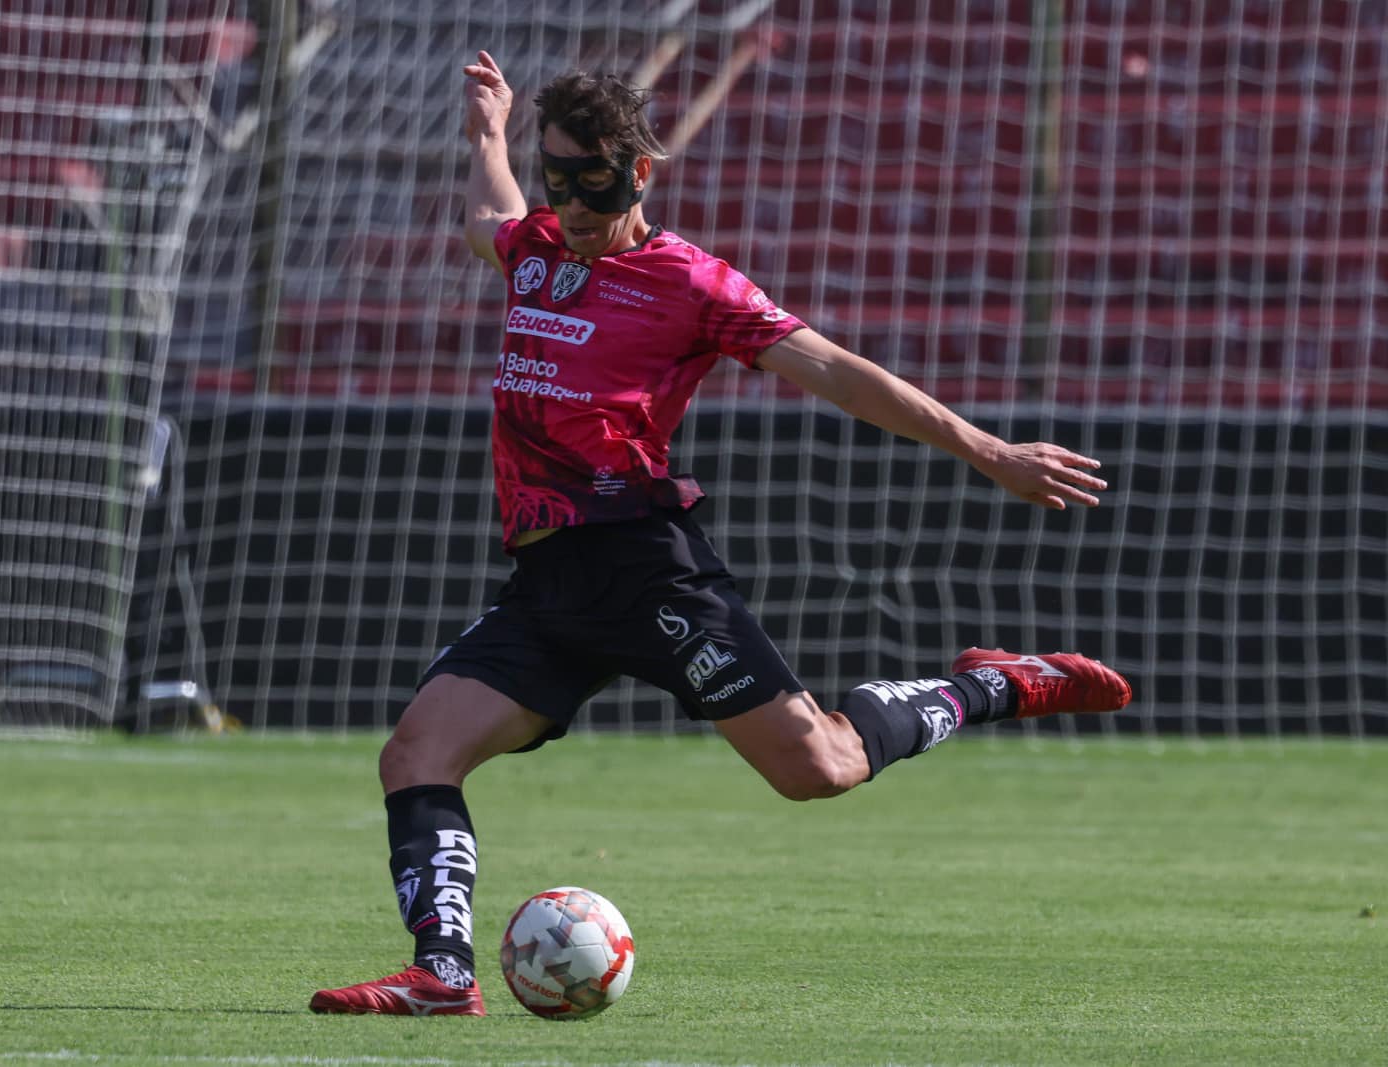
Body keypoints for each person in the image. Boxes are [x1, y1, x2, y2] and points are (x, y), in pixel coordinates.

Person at [309, 52, 1132, 1017]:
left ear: (641, 174)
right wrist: (488, 137)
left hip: (649, 570)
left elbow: (837, 371)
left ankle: (988, 684)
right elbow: (486, 220)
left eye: (595, 180)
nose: (572, 201)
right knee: (413, 753)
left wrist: (986, 448)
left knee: (817, 769)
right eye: (559, 177)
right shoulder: (534, 248)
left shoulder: (689, 282)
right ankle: (444, 974)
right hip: (548, 585)